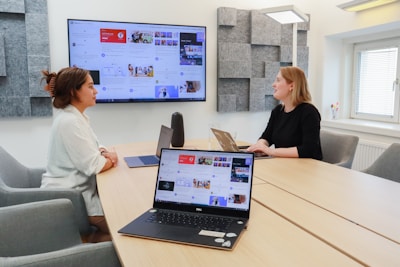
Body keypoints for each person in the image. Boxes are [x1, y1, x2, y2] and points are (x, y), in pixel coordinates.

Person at [40, 67, 118, 243]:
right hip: (73, 199)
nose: (95, 91)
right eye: (90, 86)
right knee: (124, 225)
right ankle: (83, 244)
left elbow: (98, 147)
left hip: (76, 192)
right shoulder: (70, 122)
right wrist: (110, 159)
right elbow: (94, 165)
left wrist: (105, 154)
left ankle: (84, 242)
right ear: (73, 91)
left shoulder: (75, 117)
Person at [247, 66, 322, 160]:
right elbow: (266, 137)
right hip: (284, 164)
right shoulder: (277, 111)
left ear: (292, 86)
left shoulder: (309, 112)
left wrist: (270, 151)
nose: (273, 85)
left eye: (278, 80)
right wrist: (260, 145)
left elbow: (308, 150)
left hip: (306, 168)